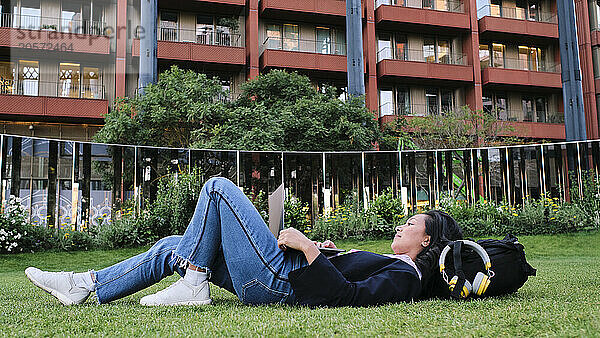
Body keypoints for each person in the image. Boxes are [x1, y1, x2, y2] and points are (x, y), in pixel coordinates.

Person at [25, 177, 463, 307]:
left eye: (410, 224)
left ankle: (194, 283)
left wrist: (310, 250)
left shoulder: (407, 276)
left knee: (218, 188)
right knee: (172, 245)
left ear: (426, 241)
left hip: (278, 283)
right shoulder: (393, 263)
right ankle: (86, 286)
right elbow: (344, 278)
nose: (402, 227)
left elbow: (347, 297)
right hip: (280, 275)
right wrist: (325, 252)